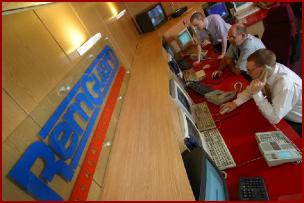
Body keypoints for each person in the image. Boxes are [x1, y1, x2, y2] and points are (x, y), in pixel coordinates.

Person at [220, 49, 302, 136]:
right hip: (279, 110)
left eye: (250, 70)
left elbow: (274, 118)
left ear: (263, 69)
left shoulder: (285, 85)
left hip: (294, 121)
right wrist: (235, 103)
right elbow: (250, 89)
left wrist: (257, 93)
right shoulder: (268, 70)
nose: (248, 73)